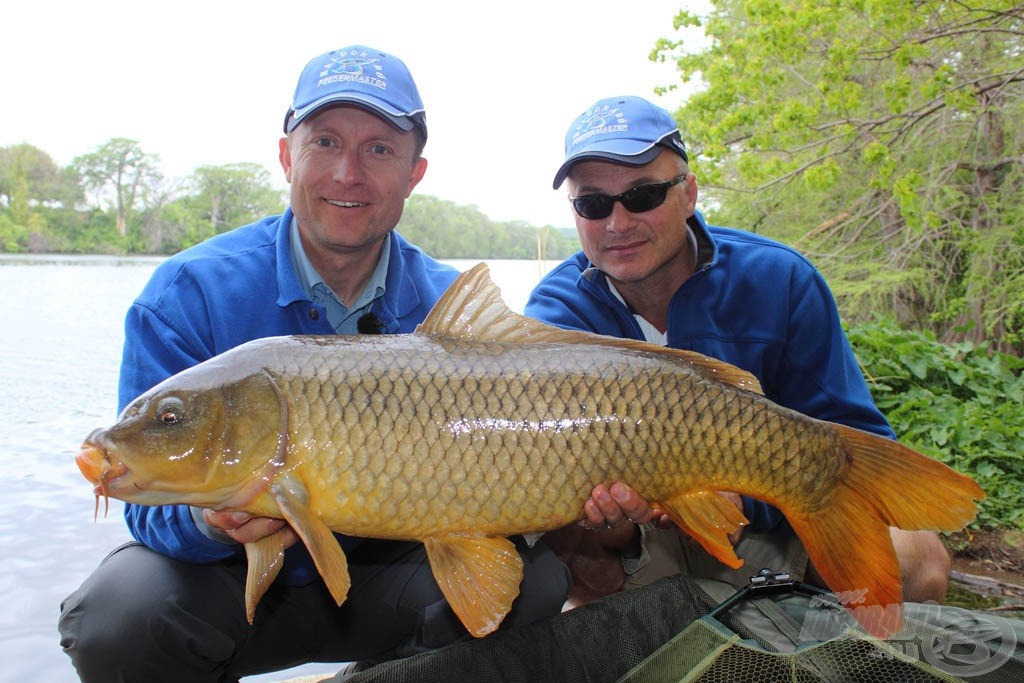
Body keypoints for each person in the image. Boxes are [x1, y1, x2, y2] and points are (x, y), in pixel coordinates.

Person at [58, 45, 569, 683]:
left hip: (390, 577)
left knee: (540, 581)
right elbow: (146, 505)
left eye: (380, 149)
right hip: (222, 593)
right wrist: (214, 522)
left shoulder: (447, 304)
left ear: (415, 172)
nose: (347, 173)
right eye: (325, 142)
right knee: (117, 616)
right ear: (286, 156)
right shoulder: (186, 294)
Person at [528, 95, 951, 607]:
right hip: (637, 547)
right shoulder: (556, 311)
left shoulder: (780, 279)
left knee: (919, 559)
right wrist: (612, 527)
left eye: (642, 196)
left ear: (688, 194)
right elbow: (556, 484)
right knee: (566, 546)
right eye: (593, 203)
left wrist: (743, 498)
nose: (618, 223)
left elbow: (855, 435)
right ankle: (646, 646)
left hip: (770, 527)